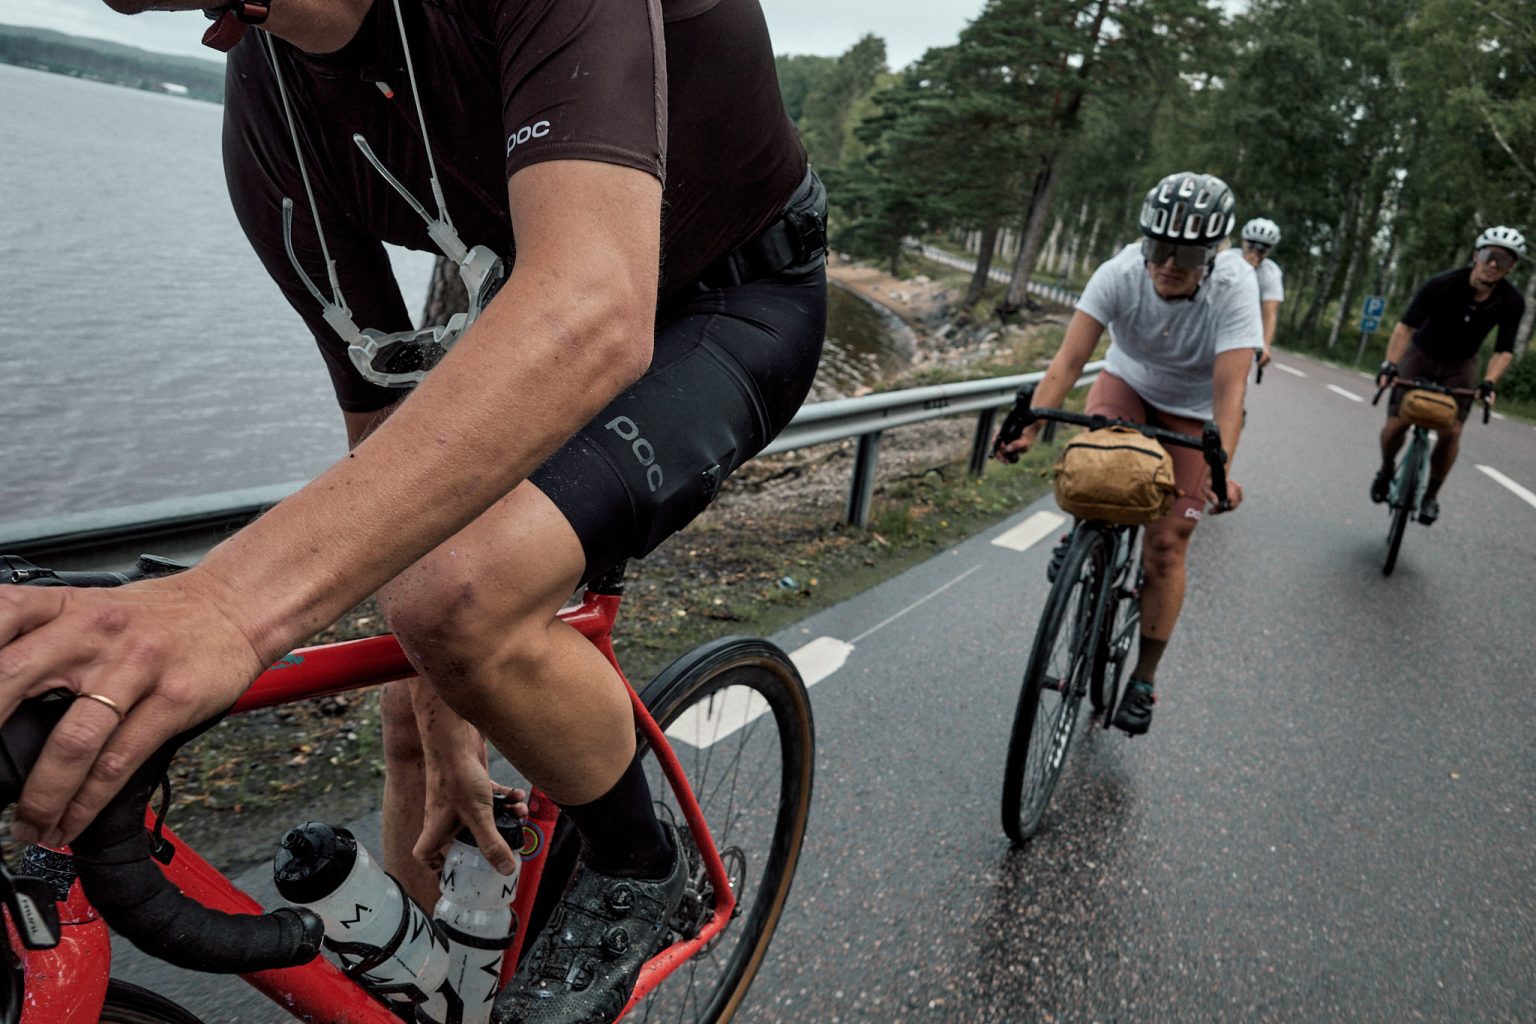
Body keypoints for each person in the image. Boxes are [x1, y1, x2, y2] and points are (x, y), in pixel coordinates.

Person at [7, 0, 827, 1018]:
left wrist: (223, 604)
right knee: (418, 691)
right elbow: (379, 433)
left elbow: (592, 307)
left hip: (728, 297)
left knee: (458, 596)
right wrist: (444, 726)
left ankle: (637, 864)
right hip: (533, 302)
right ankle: (440, 992)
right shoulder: (275, 120)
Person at [998, 171, 1261, 735]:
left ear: (1211, 255)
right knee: (1100, 473)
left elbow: (1230, 392)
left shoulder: (1236, 289)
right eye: (1157, 246)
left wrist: (1221, 469)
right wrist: (1031, 425)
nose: (1168, 262)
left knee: (1166, 546)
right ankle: (1084, 537)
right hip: (1129, 384)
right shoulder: (1119, 273)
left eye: (1186, 252)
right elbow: (1069, 361)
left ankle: (1143, 678)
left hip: (1192, 409)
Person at [1371, 226, 1526, 525]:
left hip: (1461, 364)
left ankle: (1430, 495)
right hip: (1421, 355)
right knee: (1398, 422)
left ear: (1511, 268)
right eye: (1489, 256)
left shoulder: (1512, 301)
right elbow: (1405, 327)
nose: (1494, 264)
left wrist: (1489, 381)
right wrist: (1390, 365)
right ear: (1476, 256)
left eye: (1503, 261)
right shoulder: (1441, 284)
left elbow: (1503, 350)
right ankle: (1387, 469)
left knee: (1452, 431)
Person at [1239, 217, 1284, 367]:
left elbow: (1270, 312)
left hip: (1246, 330)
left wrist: (1265, 345)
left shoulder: (1271, 273)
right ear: (1243, 242)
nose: (1255, 252)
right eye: (1251, 245)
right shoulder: (1226, 260)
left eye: (1262, 249)